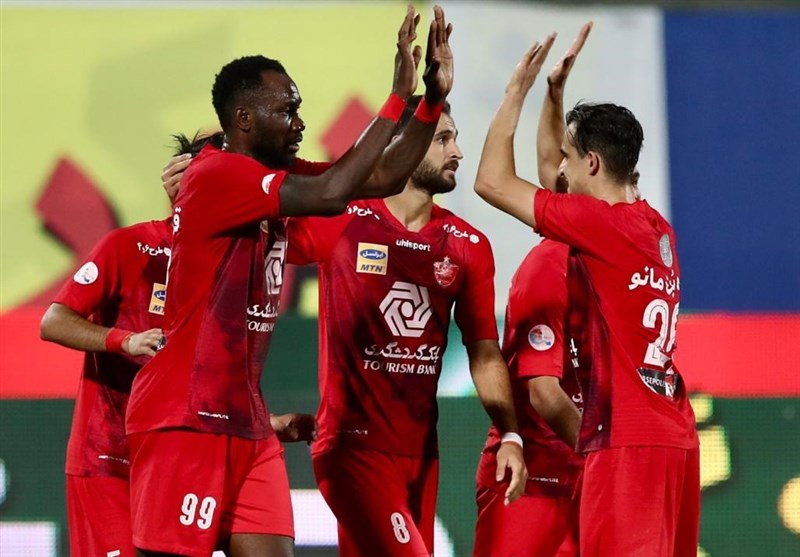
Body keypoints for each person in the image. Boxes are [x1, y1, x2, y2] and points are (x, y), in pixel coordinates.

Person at [125, 6, 457, 557]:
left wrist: (430, 102)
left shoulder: (271, 175)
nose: (300, 123)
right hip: (186, 418)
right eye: (287, 111)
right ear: (244, 119)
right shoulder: (217, 174)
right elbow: (332, 193)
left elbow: (380, 176)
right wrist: (397, 95)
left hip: (248, 426)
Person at [474, 33, 700, 556]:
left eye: (569, 158)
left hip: (625, 441)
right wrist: (555, 97)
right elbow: (557, 185)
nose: (559, 168)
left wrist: (517, 91)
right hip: (675, 438)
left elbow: (492, 181)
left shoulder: (602, 227)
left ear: (592, 164)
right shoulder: (654, 229)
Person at [39, 132, 316, 557]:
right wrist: (124, 340)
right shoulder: (130, 246)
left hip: (187, 447)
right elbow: (53, 321)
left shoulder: (243, 263)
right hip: (111, 458)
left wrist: (266, 423)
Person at [287, 90, 526, 556]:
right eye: (442, 139)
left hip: (421, 455)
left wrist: (510, 433)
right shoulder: (341, 218)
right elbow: (257, 236)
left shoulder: (468, 245)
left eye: (455, 138)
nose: (458, 151)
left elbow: (483, 351)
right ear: (404, 145)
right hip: (352, 447)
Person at [472, 24, 593, 557]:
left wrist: (554, 92)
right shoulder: (550, 264)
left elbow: (553, 170)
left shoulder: (607, 247)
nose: (557, 169)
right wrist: (524, 92)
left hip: (581, 480)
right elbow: (504, 180)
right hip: (537, 476)